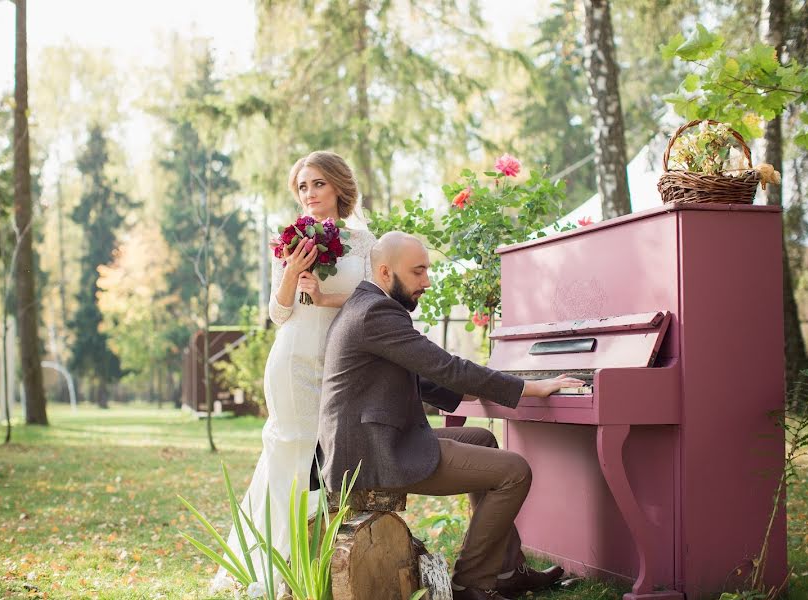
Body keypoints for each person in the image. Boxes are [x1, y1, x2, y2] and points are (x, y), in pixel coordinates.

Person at [317, 231, 585, 600]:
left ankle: (507, 570)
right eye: (418, 272)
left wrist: (481, 388)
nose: (426, 281)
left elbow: (422, 374)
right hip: (373, 454)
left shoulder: (367, 305)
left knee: (483, 439)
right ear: (383, 271)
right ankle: (470, 582)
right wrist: (527, 387)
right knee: (514, 471)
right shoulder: (376, 312)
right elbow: (444, 366)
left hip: (376, 441)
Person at [212, 151, 376, 595]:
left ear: (340, 187)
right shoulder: (288, 240)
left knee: (332, 459)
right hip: (293, 361)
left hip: (344, 363)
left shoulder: (364, 243)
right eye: (302, 186)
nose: (309, 194)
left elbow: (374, 304)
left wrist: (324, 298)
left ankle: (324, 559)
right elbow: (278, 313)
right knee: (293, 451)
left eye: (317, 184)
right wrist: (293, 272)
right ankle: (277, 566)